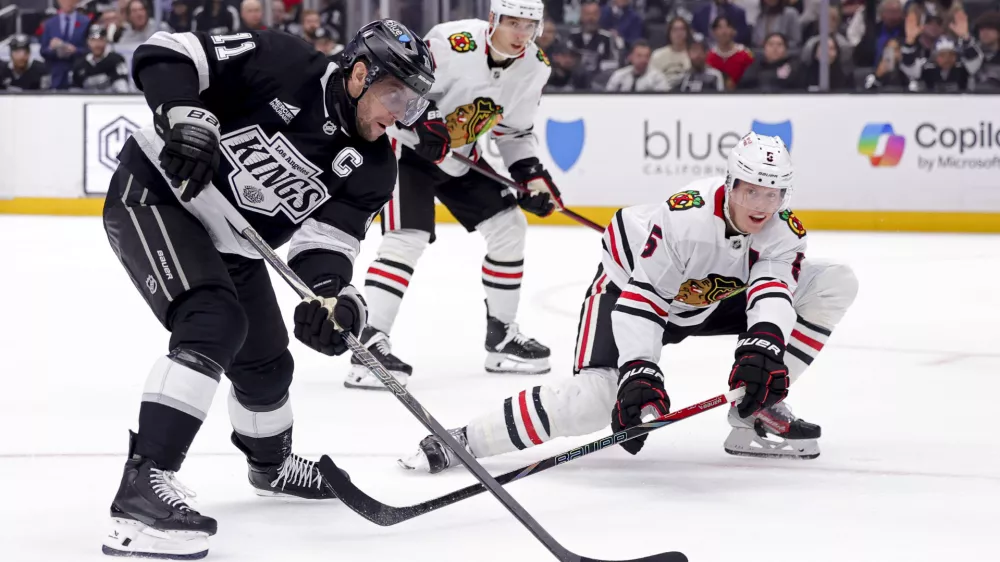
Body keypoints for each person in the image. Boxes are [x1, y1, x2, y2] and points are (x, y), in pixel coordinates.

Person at [99, 19, 435, 559]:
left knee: (268, 366)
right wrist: (184, 115)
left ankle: (272, 468)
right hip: (158, 194)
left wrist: (333, 298)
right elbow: (165, 52)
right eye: (395, 94)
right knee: (213, 320)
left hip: (234, 242)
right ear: (359, 73)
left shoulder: (374, 166)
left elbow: (325, 246)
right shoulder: (283, 61)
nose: (400, 114)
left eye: (411, 103)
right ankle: (141, 490)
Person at [398, 132, 858, 474]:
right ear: (731, 184)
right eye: (752, 191)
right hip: (630, 291)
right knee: (594, 402)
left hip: (710, 299)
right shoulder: (686, 217)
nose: (761, 205)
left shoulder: (784, 231)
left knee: (835, 281)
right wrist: (640, 370)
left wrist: (763, 350)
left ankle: (757, 407)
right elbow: (642, 299)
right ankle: (464, 439)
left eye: (773, 194)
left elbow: (772, 292)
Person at [348, 0, 561, 389]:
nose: (519, 34)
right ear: (494, 19)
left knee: (510, 226)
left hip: (460, 157)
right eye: (512, 23)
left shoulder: (535, 67)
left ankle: (502, 338)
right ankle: (368, 346)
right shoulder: (453, 41)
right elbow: (402, 82)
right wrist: (422, 120)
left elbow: (513, 132)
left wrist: (531, 176)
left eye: (528, 25)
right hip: (407, 150)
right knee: (406, 238)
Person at [71, 24, 130, 92]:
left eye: (101, 40)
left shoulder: (116, 60)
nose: (97, 44)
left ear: (106, 41)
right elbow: (74, 90)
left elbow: (122, 86)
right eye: (93, 40)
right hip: (87, 100)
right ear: (88, 42)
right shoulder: (80, 64)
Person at [605, 39, 670, 91]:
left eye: (647, 56)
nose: (643, 59)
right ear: (630, 57)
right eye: (639, 56)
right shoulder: (619, 75)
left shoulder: (658, 78)